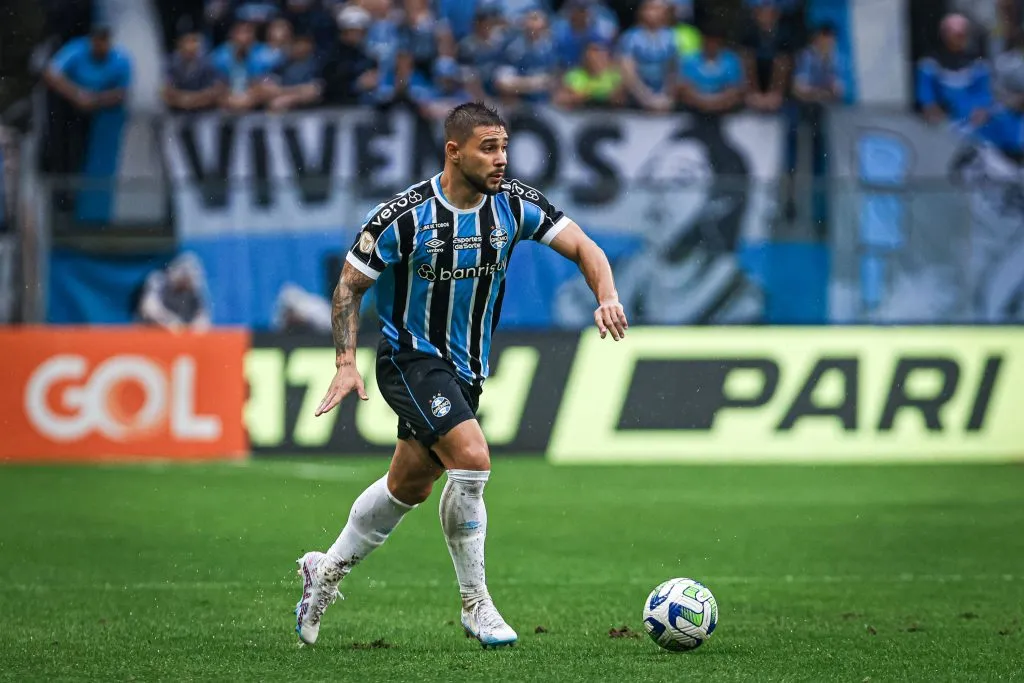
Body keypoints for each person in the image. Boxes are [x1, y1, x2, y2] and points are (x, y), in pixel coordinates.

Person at [294, 102, 628, 648]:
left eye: (504, 147)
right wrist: (345, 363)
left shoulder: (514, 206)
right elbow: (349, 286)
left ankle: (323, 574)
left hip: (468, 369)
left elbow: (585, 247)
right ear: (454, 152)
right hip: (409, 359)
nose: (501, 159)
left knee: (409, 486)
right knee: (472, 459)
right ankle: (477, 604)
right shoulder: (405, 216)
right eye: (488, 148)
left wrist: (607, 296)